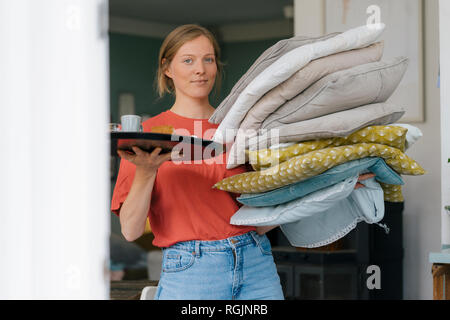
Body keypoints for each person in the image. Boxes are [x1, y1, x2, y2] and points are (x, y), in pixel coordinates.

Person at [111, 24, 374, 300]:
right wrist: (147, 169)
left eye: (208, 59)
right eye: (188, 60)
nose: (200, 69)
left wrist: (333, 182)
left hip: (255, 262)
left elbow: (262, 217)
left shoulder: (242, 128)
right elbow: (130, 230)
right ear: (167, 68)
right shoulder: (147, 137)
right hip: (192, 272)